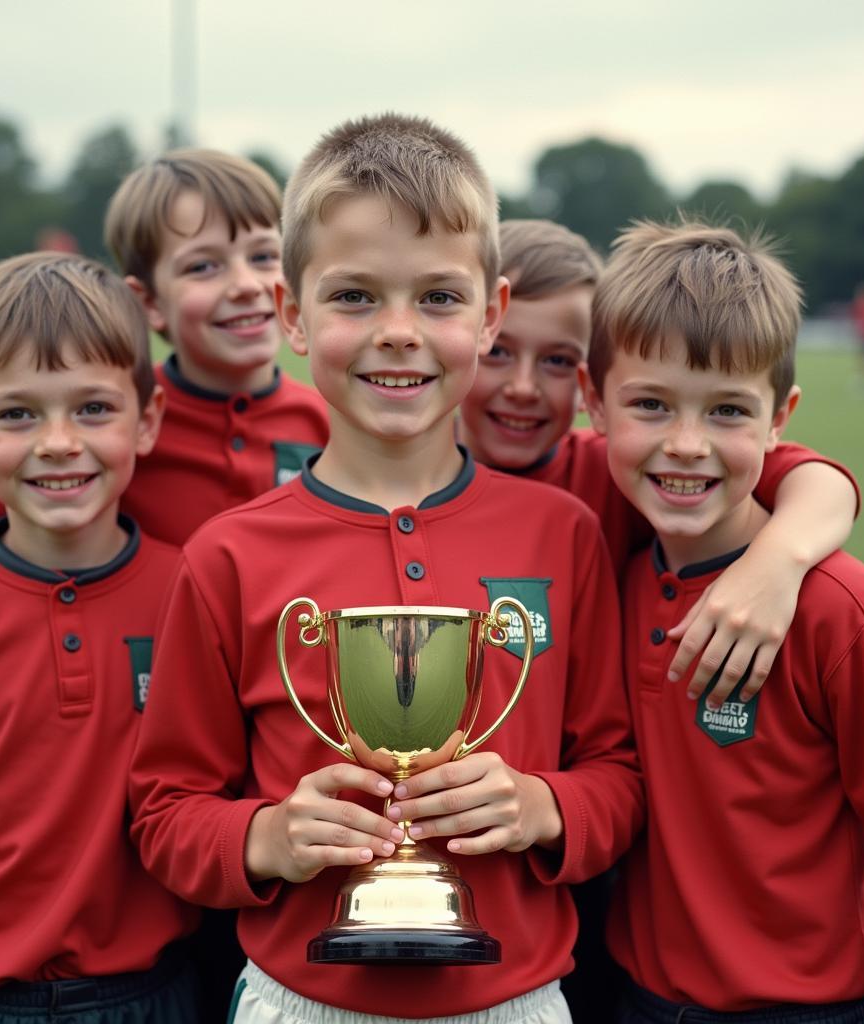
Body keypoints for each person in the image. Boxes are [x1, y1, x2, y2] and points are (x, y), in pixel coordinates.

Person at [128, 113, 644, 1024]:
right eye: (355, 297)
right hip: (296, 1000)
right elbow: (165, 811)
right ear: (292, 313)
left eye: (439, 299)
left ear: (491, 314)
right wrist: (266, 835)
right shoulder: (229, 555)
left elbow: (619, 777)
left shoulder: (562, 534)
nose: (399, 332)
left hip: (519, 1000)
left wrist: (541, 806)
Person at [0, 148, 330, 1020]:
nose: (241, 284)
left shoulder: (328, 425)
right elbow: (23, 480)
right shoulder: (117, 425)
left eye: (262, 255)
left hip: (232, 891)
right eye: (203, 263)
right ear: (148, 301)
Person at [458, 219, 861, 1023]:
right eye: (498, 350)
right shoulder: (387, 483)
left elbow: (785, 464)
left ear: (587, 390)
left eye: (559, 360)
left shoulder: (615, 480)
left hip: (718, 953)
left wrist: (778, 561)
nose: (523, 387)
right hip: (593, 950)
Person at [0, 252, 202, 1024]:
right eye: (18, 413)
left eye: (93, 409)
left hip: (154, 998)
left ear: (146, 422)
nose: (57, 442)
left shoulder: (195, 595)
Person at [580, 221, 864, 1024]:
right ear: (594, 403)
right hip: (634, 998)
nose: (687, 445)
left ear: (780, 415)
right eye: (650, 404)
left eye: (727, 411)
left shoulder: (836, 609)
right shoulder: (607, 571)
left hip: (810, 1010)